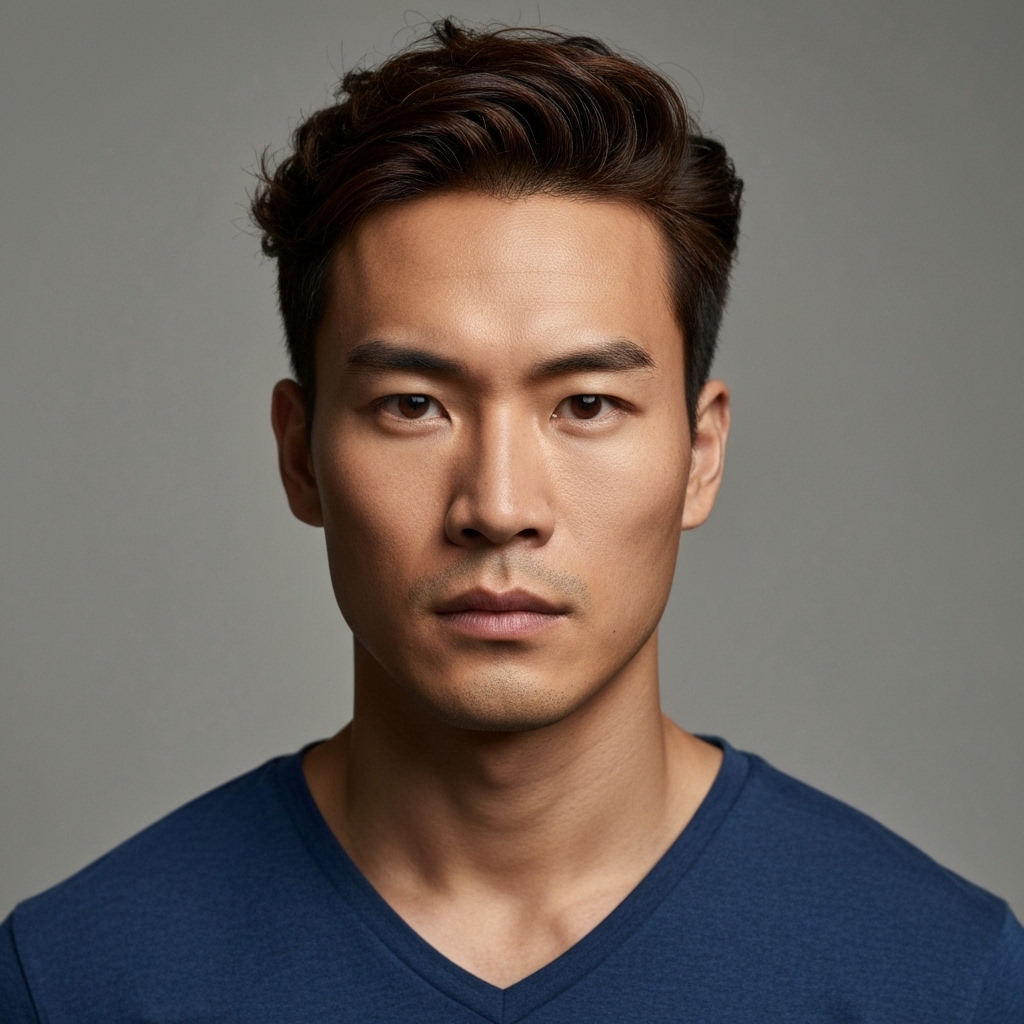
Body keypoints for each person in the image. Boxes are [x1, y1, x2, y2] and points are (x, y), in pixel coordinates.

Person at [1, 19, 1020, 1022]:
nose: (497, 508)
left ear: (699, 455)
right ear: (298, 454)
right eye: (413, 405)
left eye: (585, 404)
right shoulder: (77, 980)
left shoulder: (940, 979)